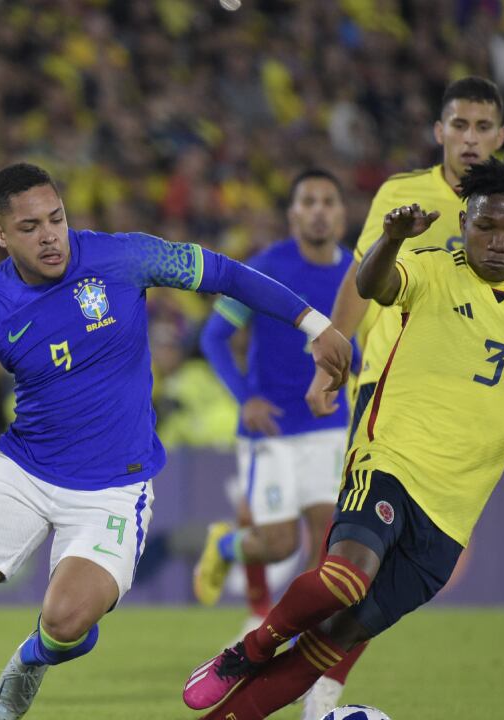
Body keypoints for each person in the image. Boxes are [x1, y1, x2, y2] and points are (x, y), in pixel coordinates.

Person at [0, 162, 352, 720]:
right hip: (23, 468)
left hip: (114, 488)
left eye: (56, 219)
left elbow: (226, 274)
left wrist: (316, 325)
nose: (49, 236)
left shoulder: (123, 256)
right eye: (29, 227)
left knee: (65, 623)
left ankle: (35, 657)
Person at [183, 157, 504, 719]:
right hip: (389, 457)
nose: (497, 242)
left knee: (329, 643)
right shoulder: (431, 266)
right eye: (485, 225)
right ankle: (249, 649)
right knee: (344, 575)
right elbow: (375, 284)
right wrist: (389, 240)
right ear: (464, 219)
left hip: (453, 513)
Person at [297, 75, 504, 713]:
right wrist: (331, 355)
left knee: (393, 565)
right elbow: (361, 279)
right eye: (460, 125)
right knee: (355, 545)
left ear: (501, 137)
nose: (470, 138)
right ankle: (311, 677)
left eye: (483, 128)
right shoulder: (401, 195)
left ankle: (314, 671)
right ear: (439, 131)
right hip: (389, 386)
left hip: (471, 406)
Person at [193, 170, 353, 628]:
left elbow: (359, 349)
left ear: (342, 214)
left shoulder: (357, 275)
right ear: (293, 214)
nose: (319, 210)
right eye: (309, 201)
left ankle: (279, 627)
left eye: (328, 201)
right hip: (273, 427)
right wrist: (245, 398)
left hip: (329, 424)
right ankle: (225, 544)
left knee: (330, 543)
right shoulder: (264, 270)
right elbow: (214, 337)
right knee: (280, 543)